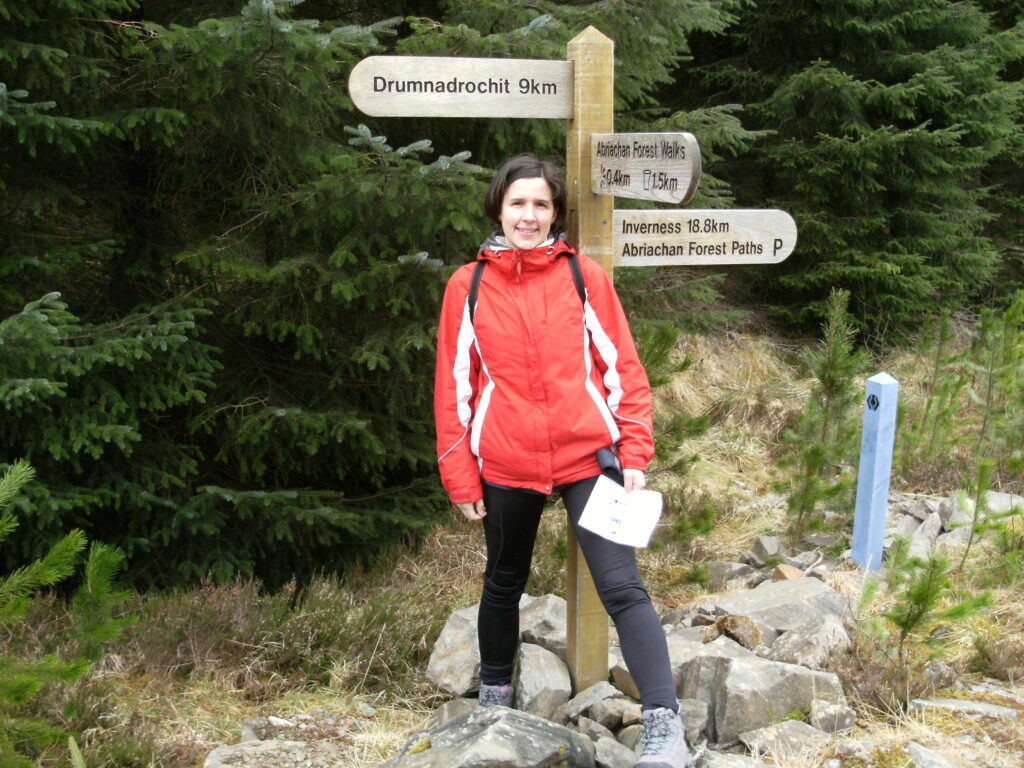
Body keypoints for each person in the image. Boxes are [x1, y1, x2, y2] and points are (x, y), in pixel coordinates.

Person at [434, 153, 693, 768]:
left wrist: (634, 448)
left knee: (623, 588)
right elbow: (455, 387)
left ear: (556, 214)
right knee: (503, 582)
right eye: (518, 203)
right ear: (499, 207)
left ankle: (663, 723)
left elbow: (622, 366)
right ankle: (495, 698)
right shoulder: (466, 286)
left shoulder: (583, 277)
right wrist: (459, 472)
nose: (529, 215)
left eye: (542, 204)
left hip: (584, 455)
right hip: (504, 458)